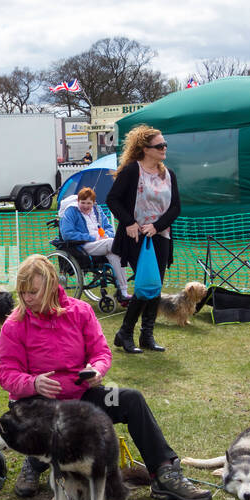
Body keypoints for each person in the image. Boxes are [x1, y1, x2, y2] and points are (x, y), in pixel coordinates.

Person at [0, 255, 211, 500]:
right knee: (51, 422)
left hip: (80, 396)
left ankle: (165, 473)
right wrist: (33, 383)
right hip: (38, 402)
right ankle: (35, 463)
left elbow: (101, 352)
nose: (27, 298)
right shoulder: (14, 324)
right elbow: (6, 373)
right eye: (22, 292)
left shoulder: (80, 311)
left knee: (131, 400)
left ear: (52, 285)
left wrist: (96, 370)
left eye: (33, 291)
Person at [106, 125, 181, 354]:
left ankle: (147, 335)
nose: (164, 148)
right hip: (136, 238)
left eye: (165, 144)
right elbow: (113, 199)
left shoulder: (168, 174)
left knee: (155, 288)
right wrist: (130, 222)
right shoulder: (131, 171)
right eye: (159, 145)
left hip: (161, 237)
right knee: (144, 286)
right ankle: (125, 332)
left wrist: (157, 226)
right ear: (145, 149)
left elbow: (175, 207)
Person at [59, 186, 131, 301]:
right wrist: (91, 237)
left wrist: (107, 234)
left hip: (103, 244)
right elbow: (67, 234)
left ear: (93, 202)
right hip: (83, 246)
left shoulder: (97, 210)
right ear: (78, 201)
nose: (86, 206)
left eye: (89, 203)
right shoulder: (71, 211)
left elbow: (108, 227)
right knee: (111, 243)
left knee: (114, 255)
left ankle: (123, 292)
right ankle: (133, 262)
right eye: (83, 203)